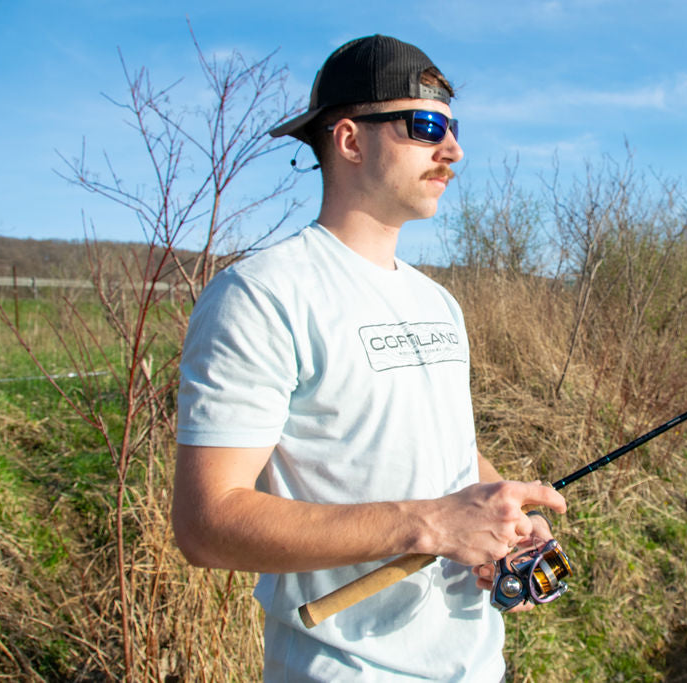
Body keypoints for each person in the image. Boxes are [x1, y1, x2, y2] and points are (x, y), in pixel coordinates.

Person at [171, 35, 567, 681]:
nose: (453, 150)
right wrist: (427, 524)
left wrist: (501, 515)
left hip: (476, 660)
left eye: (453, 128)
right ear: (351, 140)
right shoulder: (263, 293)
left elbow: (448, 449)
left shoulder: (437, 300)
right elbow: (207, 522)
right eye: (426, 126)